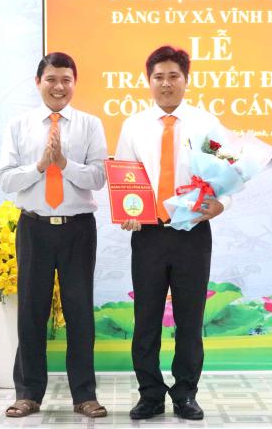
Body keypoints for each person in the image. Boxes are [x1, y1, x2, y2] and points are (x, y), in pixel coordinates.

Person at [115, 45, 231, 420]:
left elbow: (228, 170)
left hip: (192, 233)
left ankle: (185, 394)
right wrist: (127, 212)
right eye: (158, 77)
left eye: (173, 76)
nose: (166, 84)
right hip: (148, 234)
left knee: (190, 320)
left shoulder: (206, 124)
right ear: (149, 81)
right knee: (146, 319)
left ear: (186, 79)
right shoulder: (134, 125)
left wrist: (222, 203)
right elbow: (124, 177)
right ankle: (150, 394)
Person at [0, 52, 108, 418]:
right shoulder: (19, 125)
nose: (59, 87)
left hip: (78, 228)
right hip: (34, 227)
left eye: (66, 80)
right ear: (38, 82)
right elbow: (5, 179)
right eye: (51, 79)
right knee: (31, 311)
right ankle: (28, 393)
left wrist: (64, 164)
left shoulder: (90, 125)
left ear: (74, 83)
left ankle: (84, 395)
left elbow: (98, 178)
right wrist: (41, 166)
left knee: (80, 312)